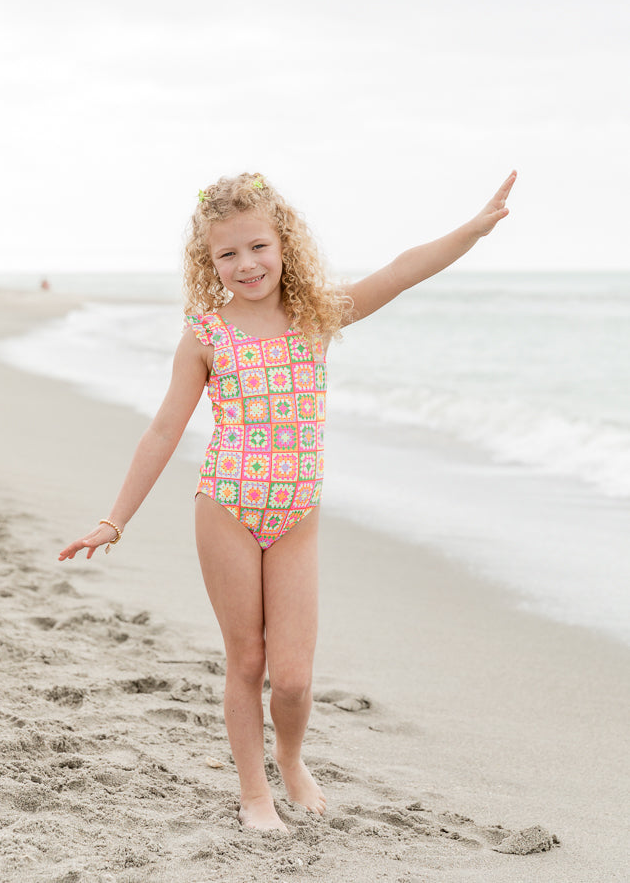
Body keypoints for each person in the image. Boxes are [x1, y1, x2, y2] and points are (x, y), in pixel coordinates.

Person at [58, 169, 517, 832]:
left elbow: (400, 269)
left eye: (257, 247)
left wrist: (472, 230)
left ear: (283, 244)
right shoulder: (207, 335)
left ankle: (290, 756)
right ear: (207, 261)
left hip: (297, 514)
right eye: (227, 253)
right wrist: (114, 519)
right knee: (246, 659)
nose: (246, 264)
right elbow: (164, 427)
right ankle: (254, 793)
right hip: (226, 506)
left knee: (295, 677)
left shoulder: (315, 318)